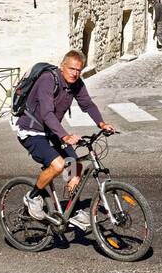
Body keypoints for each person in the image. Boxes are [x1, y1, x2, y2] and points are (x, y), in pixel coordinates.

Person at [15, 50, 115, 229]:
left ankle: (73, 210)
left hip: (50, 131)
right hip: (31, 130)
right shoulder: (48, 80)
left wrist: (101, 123)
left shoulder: (76, 83)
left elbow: (88, 104)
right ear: (62, 66)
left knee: (74, 166)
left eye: (79, 70)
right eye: (71, 69)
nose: (75, 73)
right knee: (58, 165)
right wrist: (65, 136)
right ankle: (32, 196)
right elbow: (46, 113)